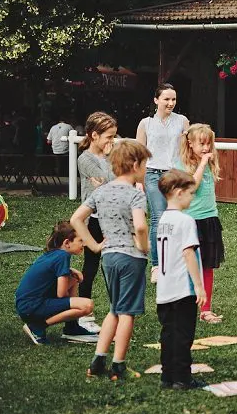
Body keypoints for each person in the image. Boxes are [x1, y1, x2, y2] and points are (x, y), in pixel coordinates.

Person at [70, 138, 152, 382]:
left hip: (109, 257)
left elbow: (76, 219)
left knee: (115, 309)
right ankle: (118, 365)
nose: (146, 170)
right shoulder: (136, 195)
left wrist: (94, 245)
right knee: (127, 313)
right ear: (135, 165)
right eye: (145, 165)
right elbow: (140, 226)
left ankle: (98, 360)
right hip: (131, 258)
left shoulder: (101, 191)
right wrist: (144, 246)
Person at [154, 169, 207, 390]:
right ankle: (183, 378)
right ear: (178, 192)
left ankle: (167, 375)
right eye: (191, 193)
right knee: (183, 335)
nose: (192, 198)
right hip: (182, 288)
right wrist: (199, 286)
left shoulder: (163, 219)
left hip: (165, 289)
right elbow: (188, 253)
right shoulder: (186, 221)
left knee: (168, 333)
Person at [14, 221, 96, 345]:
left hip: (26, 305)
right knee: (87, 306)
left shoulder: (54, 254)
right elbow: (61, 294)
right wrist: (74, 304)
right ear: (67, 243)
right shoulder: (62, 256)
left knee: (73, 279)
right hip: (31, 306)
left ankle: (72, 327)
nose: (83, 244)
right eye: (80, 240)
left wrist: (72, 273)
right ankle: (37, 327)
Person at [136, 83, 190, 272]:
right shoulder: (145, 123)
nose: (170, 103)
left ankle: (173, 260)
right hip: (153, 175)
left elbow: (187, 150)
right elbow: (140, 154)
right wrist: (139, 181)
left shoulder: (182, 121)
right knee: (158, 217)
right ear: (156, 100)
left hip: (175, 175)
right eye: (166, 99)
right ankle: (157, 265)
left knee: (175, 217)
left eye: (173, 99)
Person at [177, 123, 226, 325]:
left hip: (209, 219)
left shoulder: (209, 163)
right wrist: (203, 164)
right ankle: (184, 306)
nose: (206, 148)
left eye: (209, 144)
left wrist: (206, 163)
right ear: (190, 144)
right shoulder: (183, 164)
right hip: (190, 220)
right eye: (202, 144)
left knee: (207, 266)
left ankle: (205, 309)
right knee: (188, 266)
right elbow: (192, 187)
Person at [75, 111, 118, 333]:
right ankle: (84, 314)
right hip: (93, 220)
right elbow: (109, 180)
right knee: (90, 267)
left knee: (112, 266)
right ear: (94, 135)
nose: (112, 141)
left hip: (112, 218)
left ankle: (116, 312)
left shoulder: (110, 155)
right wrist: (110, 160)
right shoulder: (85, 159)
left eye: (114, 136)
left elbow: (120, 179)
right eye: (109, 137)